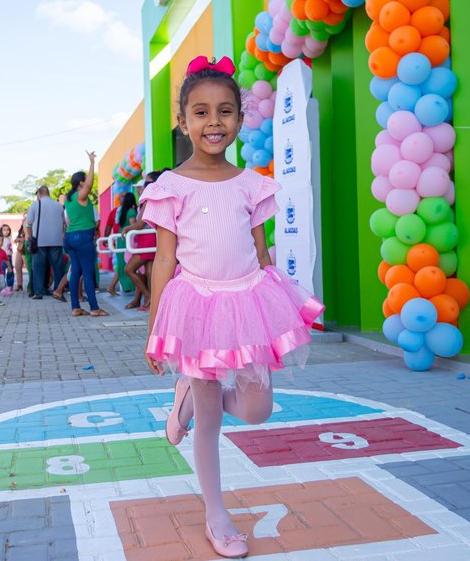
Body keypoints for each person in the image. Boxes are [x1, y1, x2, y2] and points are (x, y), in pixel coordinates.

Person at [141, 56, 323, 558]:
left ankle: (187, 401)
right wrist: (155, 327)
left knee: (257, 409)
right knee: (212, 420)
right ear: (183, 121)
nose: (213, 122)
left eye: (225, 111)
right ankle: (216, 515)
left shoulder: (251, 184)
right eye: (200, 112)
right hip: (196, 307)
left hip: (248, 302)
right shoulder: (170, 187)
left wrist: (276, 302)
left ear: (240, 120)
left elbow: (261, 249)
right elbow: (163, 261)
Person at [62, 153, 110, 317]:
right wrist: (91, 163)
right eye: (85, 181)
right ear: (80, 183)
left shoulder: (68, 199)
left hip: (71, 238)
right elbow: (89, 185)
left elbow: (68, 221)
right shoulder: (80, 195)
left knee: (76, 272)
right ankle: (94, 308)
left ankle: (75, 307)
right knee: (88, 273)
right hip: (82, 238)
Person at [124, 171, 162, 310]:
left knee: (129, 269)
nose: (141, 189)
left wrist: (127, 228)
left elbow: (140, 224)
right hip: (150, 240)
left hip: (147, 241)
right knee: (149, 272)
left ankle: (148, 296)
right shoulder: (154, 200)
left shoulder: (148, 201)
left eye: (144, 185)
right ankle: (151, 301)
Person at [25, 185, 66, 300]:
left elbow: (29, 223)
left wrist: (29, 237)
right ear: (48, 193)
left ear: (39, 194)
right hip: (56, 241)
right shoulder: (58, 205)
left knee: (38, 267)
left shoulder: (35, 205)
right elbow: (64, 223)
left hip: (39, 241)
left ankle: (38, 292)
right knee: (58, 267)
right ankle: (58, 291)